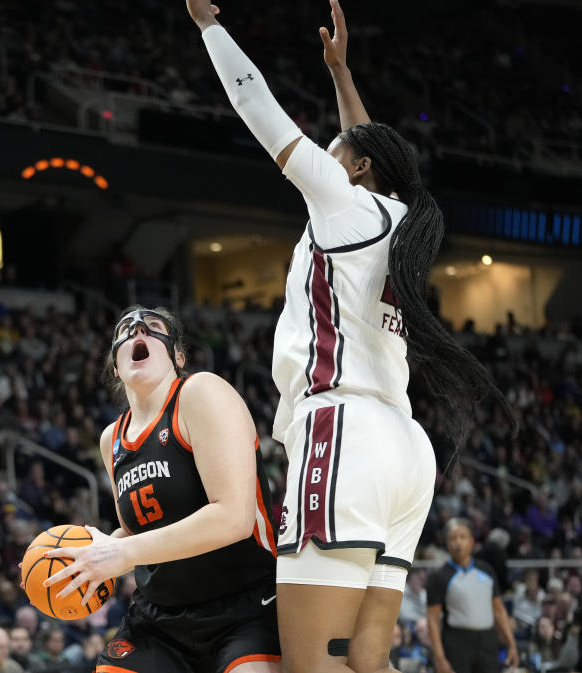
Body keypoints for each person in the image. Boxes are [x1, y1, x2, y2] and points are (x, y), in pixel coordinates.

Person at [184, 2, 513, 673]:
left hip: (346, 434)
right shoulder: (402, 222)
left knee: (314, 663)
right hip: (403, 447)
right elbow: (364, 143)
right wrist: (341, 74)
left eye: (339, 154)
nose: (328, 158)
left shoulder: (341, 202)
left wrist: (208, 27)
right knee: (368, 659)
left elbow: (256, 103)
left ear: (356, 169)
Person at [43, 307, 280, 673]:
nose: (138, 329)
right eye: (126, 329)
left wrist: (121, 552)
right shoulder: (112, 439)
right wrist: (88, 558)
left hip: (244, 604)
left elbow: (234, 518)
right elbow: (136, 533)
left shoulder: (200, 391)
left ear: (177, 356)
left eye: (154, 327)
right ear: (116, 367)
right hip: (158, 619)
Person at [426, 519, 517, 673]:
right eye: (453, 538)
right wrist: (440, 658)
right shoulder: (439, 576)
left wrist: (511, 644)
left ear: (472, 541)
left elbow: (499, 611)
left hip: (487, 641)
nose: (458, 542)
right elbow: (433, 620)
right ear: (447, 543)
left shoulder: (487, 570)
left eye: (462, 537)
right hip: (456, 642)